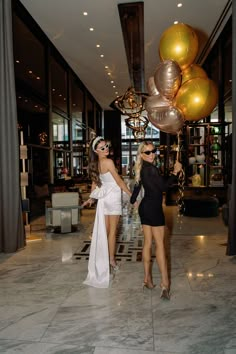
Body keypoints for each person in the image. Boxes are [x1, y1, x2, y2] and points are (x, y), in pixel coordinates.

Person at [130, 141, 182, 299]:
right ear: (141, 154)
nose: (151, 154)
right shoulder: (151, 169)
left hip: (145, 208)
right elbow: (164, 187)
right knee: (159, 245)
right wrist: (176, 172)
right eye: (147, 152)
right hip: (153, 209)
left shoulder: (141, 168)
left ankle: (147, 280)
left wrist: (134, 201)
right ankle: (165, 284)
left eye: (153, 151)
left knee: (147, 243)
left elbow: (137, 189)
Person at [82, 136, 132, 288]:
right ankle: (111, 259)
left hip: (104, 200)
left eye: (107, 146)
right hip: (113, 197)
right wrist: (131, 195)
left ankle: (105, 260)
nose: (106, 149)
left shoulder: (95, 164)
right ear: (96, 151)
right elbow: (119, 181)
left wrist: (91, 199)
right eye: (102, 148)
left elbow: (95, 182)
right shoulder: (108, 162)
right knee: (112, 233)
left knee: (106, 232)